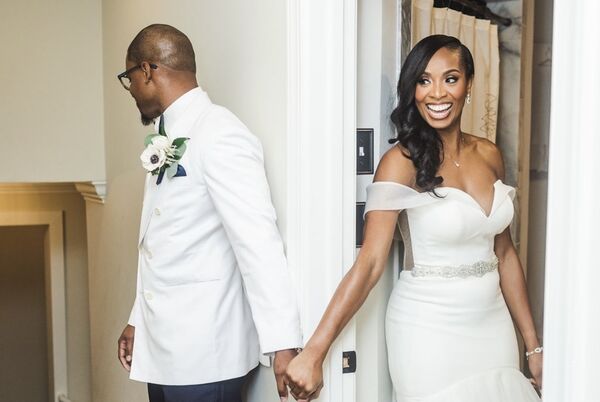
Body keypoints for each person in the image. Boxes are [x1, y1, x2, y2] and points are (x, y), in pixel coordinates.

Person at [284, 35, 542, 401]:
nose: (437, 93)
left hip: (493, 327)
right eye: (424, 80)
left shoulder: (489, 154)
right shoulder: (400, 163)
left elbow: (505, 253)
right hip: (427, 331)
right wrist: (314, 351)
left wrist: (533, 347)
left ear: (468, 84)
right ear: (413, 90)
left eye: (450, 79)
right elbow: (370, 264)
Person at [116, 24, 303, 402]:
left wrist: (283, 343)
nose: (131, 89)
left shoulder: (220, 134)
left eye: (129, 77)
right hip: (164, 353)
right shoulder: (167, 136)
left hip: (206, 357)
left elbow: (258, 243)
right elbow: (162, 244)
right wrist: (139, 320)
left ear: (147, 70)